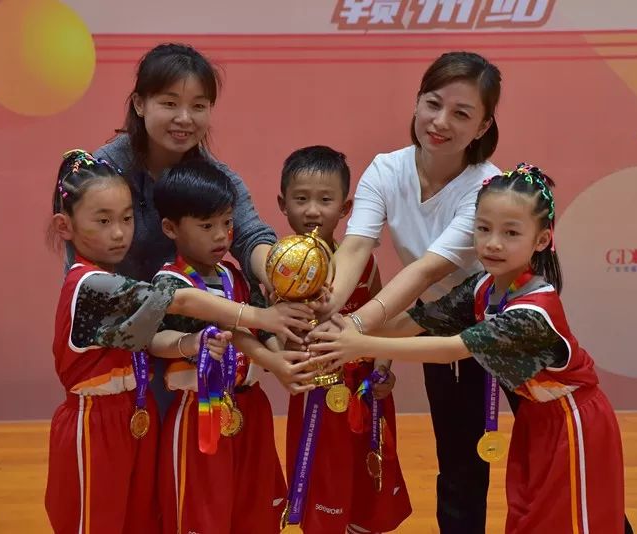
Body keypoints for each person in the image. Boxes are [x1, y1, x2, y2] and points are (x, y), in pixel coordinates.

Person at [308, 164, 626, 534]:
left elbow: (453, 349)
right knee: (528, 518)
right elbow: (417, 322)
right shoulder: (483, 285)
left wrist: (359, 343)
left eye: (510, 233)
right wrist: (344, 330)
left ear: (541, 240)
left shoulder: (533, 312)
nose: (492, 243)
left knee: (571, 523)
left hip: (573, 423)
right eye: (484, 228)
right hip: (535, 422)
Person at [45, 150, 313, 534]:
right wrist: (257, 317)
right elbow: (178, 300)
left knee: (143, 521)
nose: (119, 232)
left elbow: (159, 337)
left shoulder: (230, 275)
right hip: (97, 421)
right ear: (64, 225)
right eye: (103, 221)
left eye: (126, 219)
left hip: (137, 414)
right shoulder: (89, 285)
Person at [308, 51, 503, 532]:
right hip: (440, 322)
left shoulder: (487, 187)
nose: (441, 122)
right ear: (417, 102)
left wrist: (355, 326)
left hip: (505, 319)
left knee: (553, 452)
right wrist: (328, 302)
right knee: (459, 464)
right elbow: (354, 247)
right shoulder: (386, 169)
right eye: (433, 104)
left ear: (482, 127)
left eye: (462, 114)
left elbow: (425, 272)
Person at [91, 43, 280, 417]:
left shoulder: (219, 177)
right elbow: (89, 277)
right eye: (169, 103)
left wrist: (280, 272)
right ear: (140, 103)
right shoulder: (103, 172)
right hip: (118, 344)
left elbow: (252, 237)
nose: (184, 118)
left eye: (198, 106)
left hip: (191, 345)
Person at [151, 159, 317, 533]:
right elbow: (153, 341)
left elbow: (258, 326)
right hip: (199, 412)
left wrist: (282, 360)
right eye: (206, 226)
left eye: (227, 223)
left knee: (253, 509)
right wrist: (187, 343)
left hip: (250, 407)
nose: (221, 236)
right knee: (201, 512)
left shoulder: (233, 275)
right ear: (170, 228)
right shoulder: (167, 282)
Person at [277, 146, 412, 533]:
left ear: (347, 206)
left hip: (365, 393)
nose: (313, 211)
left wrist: (383, 371)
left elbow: (382, 322)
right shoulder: (281, 268)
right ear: (282, 203)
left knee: (370, 481)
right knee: (323, 483)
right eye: (301, 199)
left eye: (325, 200)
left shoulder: (363, 263)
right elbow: (277, 337)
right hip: (315, 397)